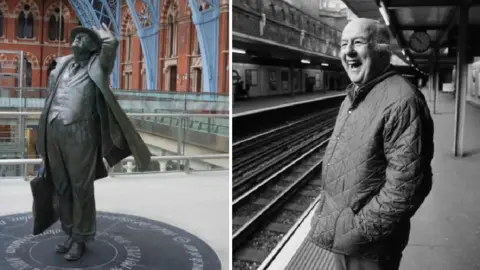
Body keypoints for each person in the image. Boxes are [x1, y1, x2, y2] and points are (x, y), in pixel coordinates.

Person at [307, 18, 434, 270]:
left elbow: (407, 187)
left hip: (368, 246)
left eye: (358, 42)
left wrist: (359, 229)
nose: (348, 51)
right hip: (345, 236)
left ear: (381, 49)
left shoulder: (403, 101)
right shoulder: (354, 95)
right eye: (344, 44)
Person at [36, 24, 151, 261]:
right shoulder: (62, 65)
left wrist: (101, 34)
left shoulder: (98, 65)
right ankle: (69, 232)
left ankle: (81, 237)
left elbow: (111, 44)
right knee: (62, 187)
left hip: (81, 135)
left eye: (84, 38)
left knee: (81, 188)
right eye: (76, 36)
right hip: (54, 132)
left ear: (93, 48)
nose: (78, 39)